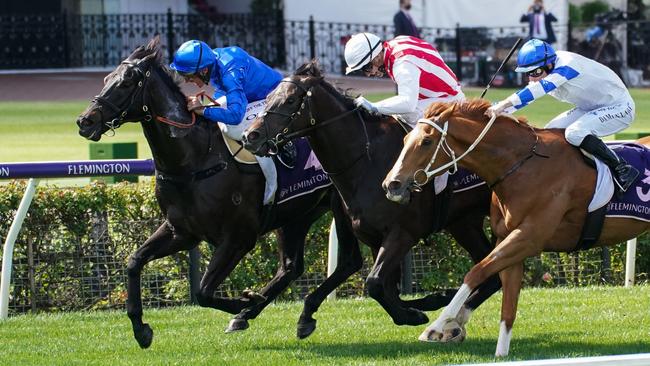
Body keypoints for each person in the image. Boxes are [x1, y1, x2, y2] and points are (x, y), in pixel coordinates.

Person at [487, 39, 639, 192]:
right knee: (549, 131)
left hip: (619, 108)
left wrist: (502, 105)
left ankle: (622, 168)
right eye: (527, 73)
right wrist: (496, 110)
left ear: (549, 64)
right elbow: (527, 96)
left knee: (575, 133)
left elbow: (535, 91)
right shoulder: (546, 70)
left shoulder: (567, 65)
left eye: (535, 72)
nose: (531, 78)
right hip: (590, 108)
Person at [169, 40, 283, 205]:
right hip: (250, 97)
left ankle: (273, 189)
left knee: (239, 131)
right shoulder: (212, 61)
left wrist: (204, 110)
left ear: (204, 70)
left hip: (273, 98)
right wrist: (205, 103)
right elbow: (223, 95)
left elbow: (236, 115)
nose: (187, 81)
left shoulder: (230, 71)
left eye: (188, 76)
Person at [344, 32, 464, 128]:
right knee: (396, 111)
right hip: (440, 96)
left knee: (407, 113)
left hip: (451, 101)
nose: (368, 74)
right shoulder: (394, 45)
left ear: (376, 57)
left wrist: (374, 107)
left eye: (366, 68)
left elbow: (408, 104)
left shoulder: (402, 63)